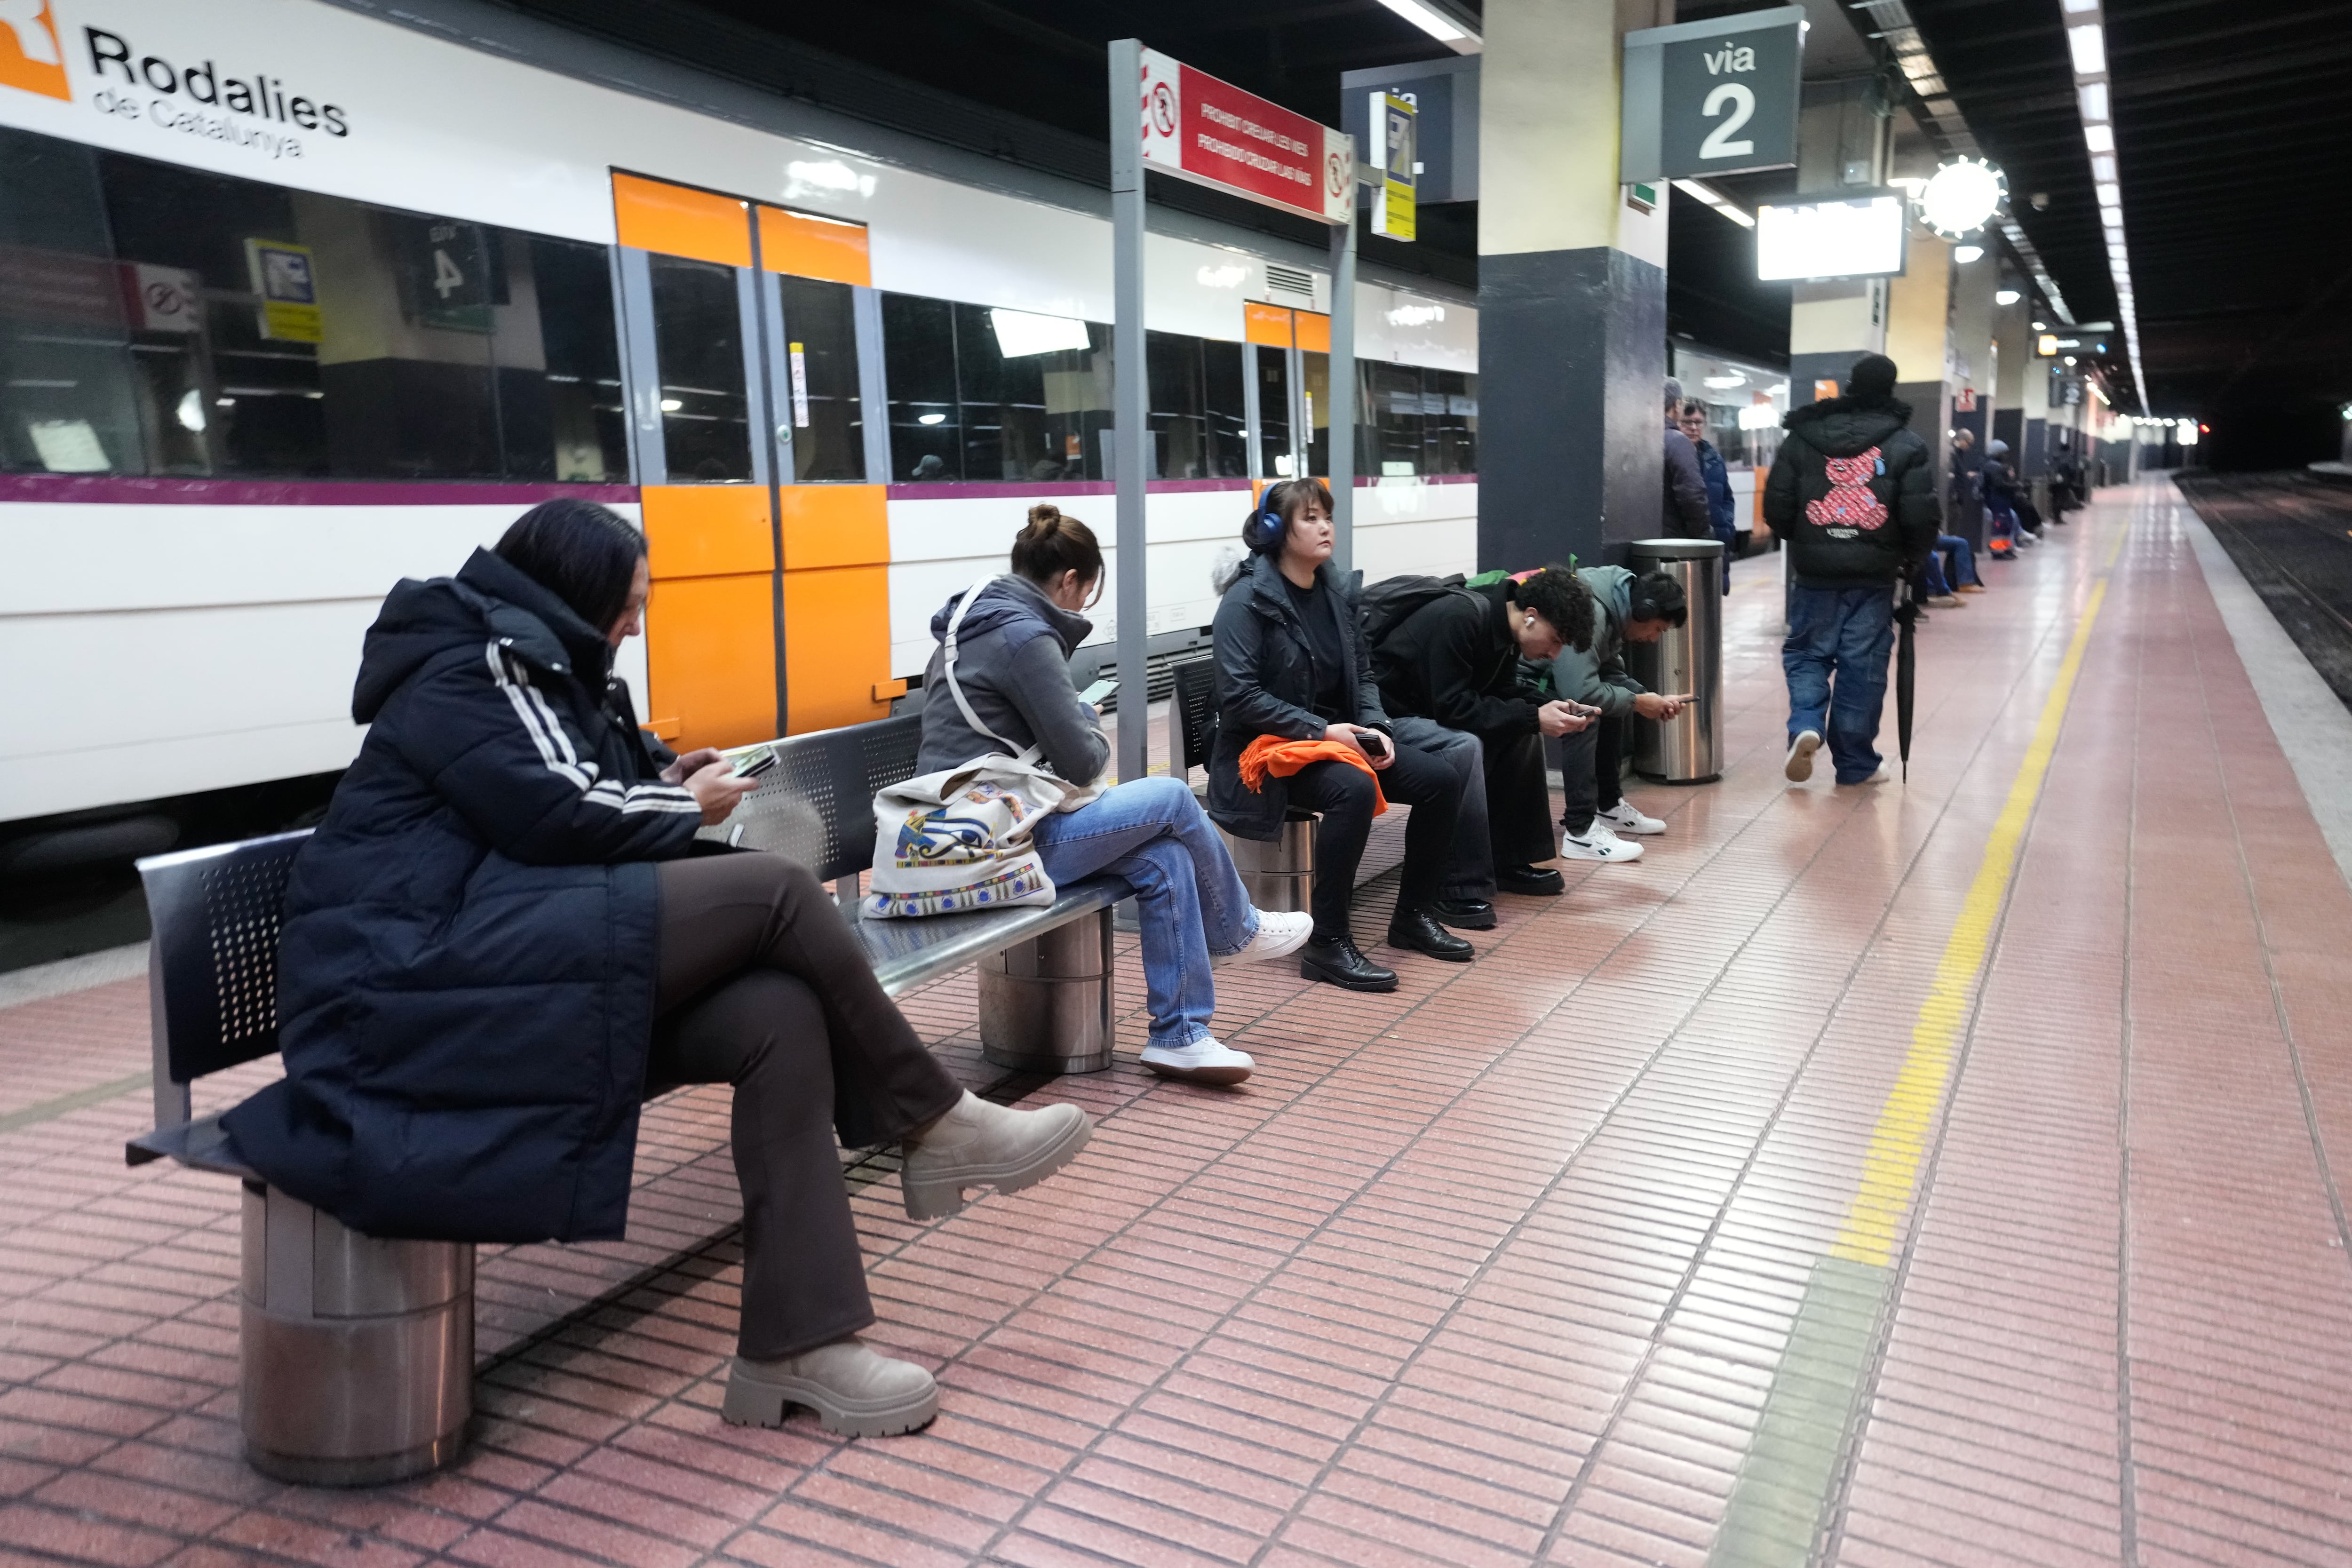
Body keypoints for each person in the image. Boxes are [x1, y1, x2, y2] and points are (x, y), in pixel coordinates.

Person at [220, 499, 1095, 1441]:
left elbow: (569, 799)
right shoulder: (467, 664)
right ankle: (935, 1121)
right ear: (577, 593)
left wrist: (667, 785)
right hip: (404, 996)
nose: (635, 626)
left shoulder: (553, 669)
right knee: (775, 892)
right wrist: (684, 806)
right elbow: (556, 812)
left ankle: (797, 1346)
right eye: (630, 604)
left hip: (497, 967)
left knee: (775, 1012)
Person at [917, 505, 1314, 1086]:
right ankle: (1237, 929)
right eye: (1087, 594)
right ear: (1069, 581)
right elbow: (1082, 761)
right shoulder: (1025, 637)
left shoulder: (974, 625)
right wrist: (1082, 715)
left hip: (971, 830)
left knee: (1165, 858)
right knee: (1173, 798)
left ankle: (1180, 1036)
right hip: (994, 848)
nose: (1082, 606)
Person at [1208, 478, 1471, 992]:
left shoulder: (1334, 593)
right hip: (1265, 751)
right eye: (1310, 518)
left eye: (1326, 516)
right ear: (1275, 530)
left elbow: (1364, 675)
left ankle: (1413, 916)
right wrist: (1321, 729)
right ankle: (1327, 942)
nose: (1325, 527)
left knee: (1440, 779)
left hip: (1337, 743)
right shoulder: (1246, 601)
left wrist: (1376, 728)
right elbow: (1239, 697)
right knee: (1351, 790)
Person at [1757, 352, 1940, 786]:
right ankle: (1856, 763)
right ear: (1891, 391)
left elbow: (1777, 509)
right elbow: (1921, 517)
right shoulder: (1906, 444)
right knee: (1863, 666)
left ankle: (1806, 723)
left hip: (1815, 576)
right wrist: (1912, 559)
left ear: (1850, 387)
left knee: (1807, 653)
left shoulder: (1802, 437)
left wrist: (1809, 539)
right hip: (1873, 578)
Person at [1369, 567, 1596, 903]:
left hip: (1424, 712)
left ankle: (1509, 860)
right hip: (1384, 720)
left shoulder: (1504, 628)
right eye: (1556, 641)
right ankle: (1455, 885)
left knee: (1522, 732)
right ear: (1531, 616)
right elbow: (1451, 707)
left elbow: (1499, 692)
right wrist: (1534, 716)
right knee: (1464, 744)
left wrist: (1551, 706)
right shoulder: (1461, 616)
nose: (1555, 655)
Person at [1548, 567, 1689, 862]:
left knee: (1615, 700)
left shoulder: (1613, 609)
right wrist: (1637, 701)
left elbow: (1608, 674)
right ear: (1644, 611)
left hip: (1552, 676)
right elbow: (1580, 692)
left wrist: (1650, 699)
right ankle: (1580, 832)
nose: (1654, 639)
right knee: (1584, 714)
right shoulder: (1593, 610)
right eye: (1658, 629)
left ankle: (1608, 806)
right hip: (1522, 678)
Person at [1679, 399, 1739, 589]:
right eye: (1687, 422)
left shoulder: (1714, 459)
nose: (1694, 428)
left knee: (1711, 596)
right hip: (1685, 546)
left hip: (1716, 542)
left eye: (1698, 422)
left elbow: (1727, 498)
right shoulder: (1672, 455)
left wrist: (1726, 524)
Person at [1663, 377, 1713, 538]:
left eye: (1698, 423)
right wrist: (1703, 537)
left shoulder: (1641, 437)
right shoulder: (1677, 442)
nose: (1693, 428)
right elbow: (1693, 497)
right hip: (1674, 541)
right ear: (1677, 405)